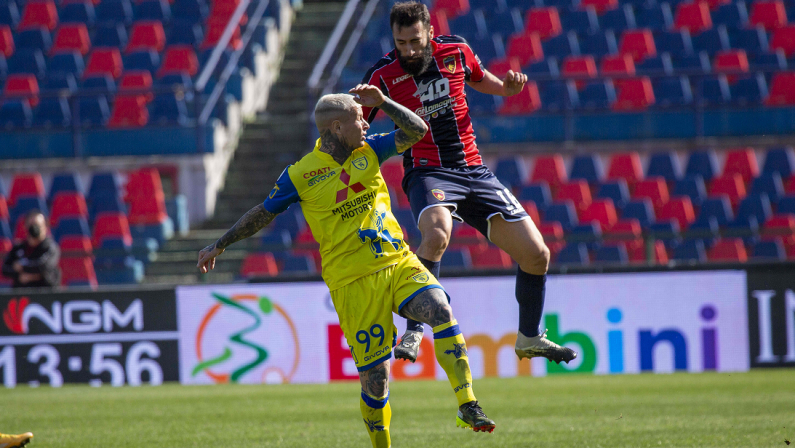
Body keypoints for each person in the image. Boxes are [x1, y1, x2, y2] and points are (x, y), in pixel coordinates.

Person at [198, 85, 495, 446]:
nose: (366, 125)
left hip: (397, 261)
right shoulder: (300, 174)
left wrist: (383, 102)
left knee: (439, 308)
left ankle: (468, 402)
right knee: (376, 379)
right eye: (359, 118)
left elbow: (418, 131)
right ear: (336, 127)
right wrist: (220, 244)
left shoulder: (370, 149)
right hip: (351, 283)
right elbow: (262, 213)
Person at [359, 1, 577, 365]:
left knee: (537, 255)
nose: (409, 50)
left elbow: (480, 78)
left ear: (430, 31)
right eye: (401, 43)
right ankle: (414, 328)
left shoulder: (457, 51)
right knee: (437, 233)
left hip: (473, 169)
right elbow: (357, 121)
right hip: (427, 169)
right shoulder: (383, 75)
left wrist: (506, 90)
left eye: (415, 40)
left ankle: (528, 337)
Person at [2, 210, 61, 288]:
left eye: (38, 225)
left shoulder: (50, 247)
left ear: (45, 227)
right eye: (31, 225)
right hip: (21, 294)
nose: (34, 228)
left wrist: (23, 268)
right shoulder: (18, 247)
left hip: (45, 294)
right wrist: (20, 276)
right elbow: (5, 269)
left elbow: (45, 266)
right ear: (26, 226)